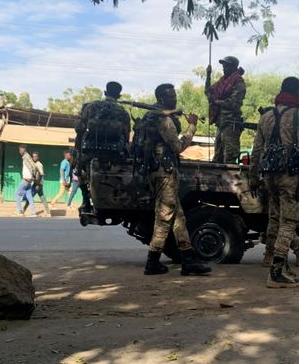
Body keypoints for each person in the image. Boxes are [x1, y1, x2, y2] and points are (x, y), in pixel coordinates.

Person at [250, 76, 299, 288]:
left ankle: (280, 264)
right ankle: (277, 272)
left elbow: (257, 151)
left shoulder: (266, 116)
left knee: (277, 219)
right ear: (297, 93)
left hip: (269, 175)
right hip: (290, 176)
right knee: (288, 222)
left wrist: (253, 177)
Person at [142, 83, 211, 277]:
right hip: (165, 173)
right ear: (162, 99)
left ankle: (188, 260)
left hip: (157, 171)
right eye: (171, 96)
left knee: (178, 217)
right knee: (165, 218)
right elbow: (178, 146)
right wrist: (192, 126)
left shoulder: (152, 116)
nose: (175, 99)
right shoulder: (164, 120)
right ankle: (152, 261)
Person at [74, 81, 130, 213]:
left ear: (105, 93)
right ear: (119, 96)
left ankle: (85, 201)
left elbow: (79, 130)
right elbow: (126, 136)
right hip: (115, 154)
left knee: (79, 171)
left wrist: (79, 154)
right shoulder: (123, 113)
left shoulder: (91, 107)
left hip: (91, 151)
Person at [208, 56, 246, 163]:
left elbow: (234, 103)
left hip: (231, 124)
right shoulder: (221, 82)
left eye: (227, 66)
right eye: (223, 66)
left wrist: (216, 101)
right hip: (221, 124)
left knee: (230, 157)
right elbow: (209, 92)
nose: (224, 68)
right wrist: (208, 75)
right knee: (217, 158)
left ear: (234, 67)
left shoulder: (238, 82)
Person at [261, 203, 299, 268]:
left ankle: (269, 256)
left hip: (275, 193)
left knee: (275, 219)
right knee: (288, 223)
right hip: (288, 195)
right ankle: (280, 262)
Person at [24, 151, 50, 216]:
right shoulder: (33, 164)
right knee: (42, 197)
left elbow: (41, 175)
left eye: (36, 156)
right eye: (33, 156)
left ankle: (23, 211)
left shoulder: (39, 164)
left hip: (38, 184)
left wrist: (38, 184)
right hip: (35, 183)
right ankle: (48, 213)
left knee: (30, 197)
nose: (34, 158)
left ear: (38, 157)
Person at [13, 144, 37, 217]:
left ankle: (20, 211)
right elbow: (33, 166)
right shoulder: (25, 156)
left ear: (24, 150)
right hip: (28, 180)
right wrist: (32, 177)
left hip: (27, 179)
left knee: (17, 193)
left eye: (20, 150)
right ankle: (33, 213)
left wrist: (31, 176)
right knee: (29, 196)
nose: (19, 151)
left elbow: (33, 166)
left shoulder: (26, 156)